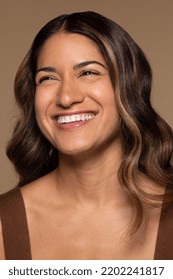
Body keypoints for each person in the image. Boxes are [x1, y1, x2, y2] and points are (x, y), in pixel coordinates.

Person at [0, 11, 173, 260]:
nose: (66, 97)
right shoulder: (4, 224)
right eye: (48, 78)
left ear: (128, 86)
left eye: (88, 73)